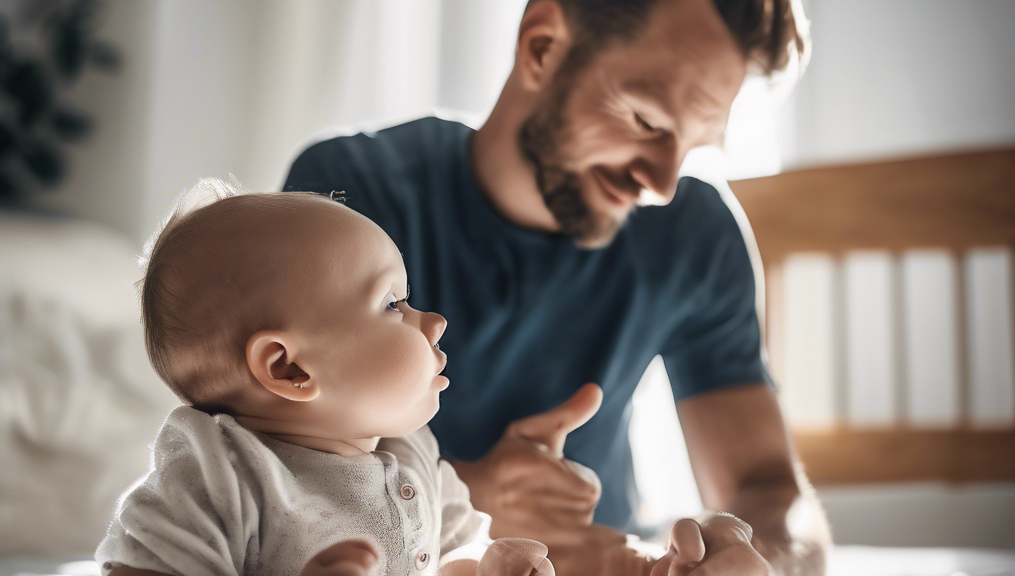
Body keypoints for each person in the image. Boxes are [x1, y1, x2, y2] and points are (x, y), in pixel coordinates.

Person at [283, 0, 830, 574]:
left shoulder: (696, 234)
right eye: (645, 121)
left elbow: (770, 490)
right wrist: (469, 496)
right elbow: (269, 481)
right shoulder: (345, 199)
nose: (663, 184)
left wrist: (759, 557)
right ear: (542, 48)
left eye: (692, 145)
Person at [94, 181, 570, 576]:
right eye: (391, 305)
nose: (433, 320)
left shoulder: (413, 454)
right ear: (289, 369)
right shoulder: (218, 476)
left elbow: (448, 555)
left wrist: (487, 565)